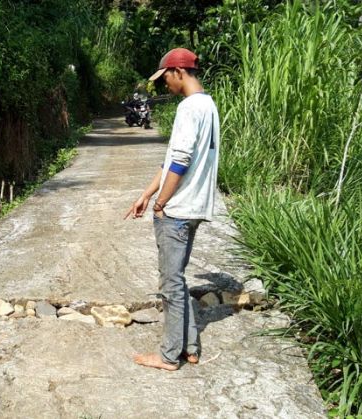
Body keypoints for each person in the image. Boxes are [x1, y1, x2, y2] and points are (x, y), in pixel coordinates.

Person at [124, 47, 220, 371]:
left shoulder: (188, 109)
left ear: (178, 72)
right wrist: (147, 194)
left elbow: (179, 161)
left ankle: (168, 355)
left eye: (164, 76)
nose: (164, 83)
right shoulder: (208, 106)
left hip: (177, 211)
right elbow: (169, 161)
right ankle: (190, 347)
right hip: (194, 209)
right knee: (177, 280)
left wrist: (161, 202)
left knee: (170, 284)